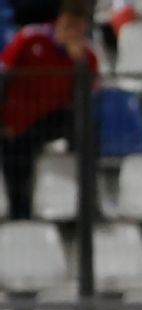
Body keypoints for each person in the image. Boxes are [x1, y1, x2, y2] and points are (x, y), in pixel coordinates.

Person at [0, 0, 98, 220]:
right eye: (68, 25)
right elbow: (3, 76)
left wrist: (78, 64)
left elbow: (86, 99)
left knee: (88, 125)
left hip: (50, 119)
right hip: (15, 119)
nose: (72, 31)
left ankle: (88, 203)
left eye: (77, 26)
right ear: (58, 21)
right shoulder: (30, 38)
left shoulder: (87, 56)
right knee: (15, 154)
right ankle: (20, 214)